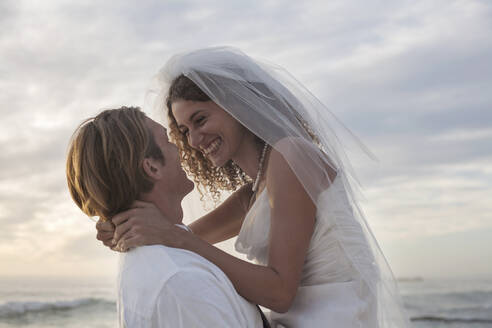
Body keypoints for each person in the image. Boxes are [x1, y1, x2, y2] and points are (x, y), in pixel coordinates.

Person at [97, 48, 409, 327]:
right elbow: (181, 234)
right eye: (183, 130)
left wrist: (172, 235)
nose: (193, 141)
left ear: (235, 106)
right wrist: (123, 226)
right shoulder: (256, 189)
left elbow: (280, 292)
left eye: (200, 119)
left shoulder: (292, 155)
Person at [66, 106, 265, 328]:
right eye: (168, 140)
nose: (184, 147)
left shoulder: (158, 257)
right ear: (152, 167)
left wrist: (170, 235)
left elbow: (252, 200)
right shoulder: (183, 282)